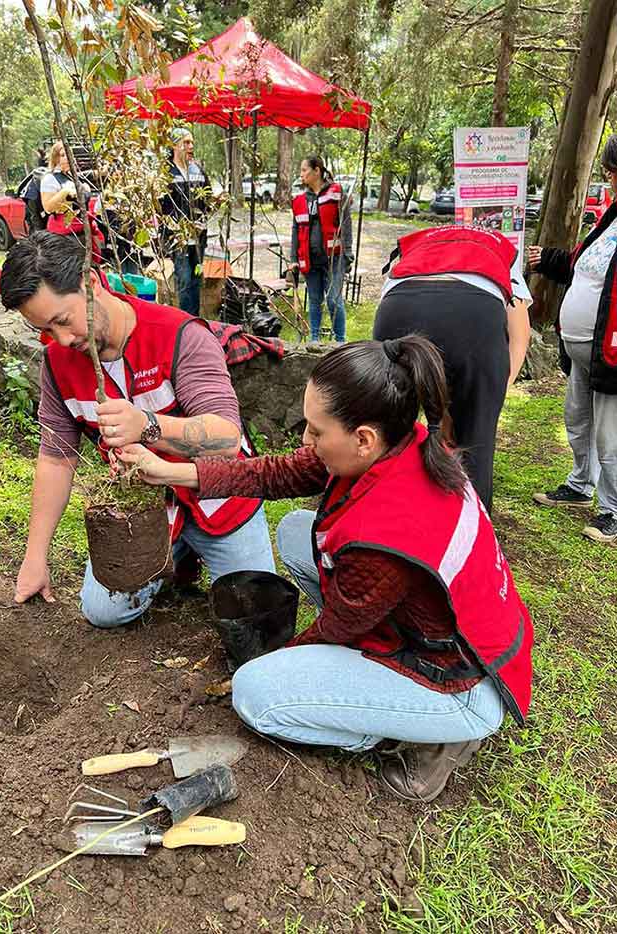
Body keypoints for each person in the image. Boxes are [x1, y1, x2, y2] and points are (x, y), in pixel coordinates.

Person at [117, 337, 534, 803]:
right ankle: (395, 704)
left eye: (316, 431)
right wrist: (171, 471)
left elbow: (336, 628)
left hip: (460, 684)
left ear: (362, 439)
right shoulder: (402, 441)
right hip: (459, 634)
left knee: (257, 694)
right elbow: (272, 474)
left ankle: (430, 736)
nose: (305, 440)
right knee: (299, 531)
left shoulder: (386, 534)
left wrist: (277, 662)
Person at [0, 230, 275, 627]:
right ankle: (174, 558)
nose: (61, 339)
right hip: (147, 511)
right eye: (45, 329)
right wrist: (35, 556)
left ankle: (196, 552)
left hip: (221, 498)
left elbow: (226, 439)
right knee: (103, 612)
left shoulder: (179, 335)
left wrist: (146, 425)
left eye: (63, 320)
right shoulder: (58, 364)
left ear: (90, 284)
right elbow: (56, 460)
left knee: (258, 613)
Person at [373, 225, 532, 512]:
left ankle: (378, 516)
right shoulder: (499, 250)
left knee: (385, 430)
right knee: (476, 441)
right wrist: (491, 395)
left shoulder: (418, 245)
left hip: (398, 305)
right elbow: (520, 336)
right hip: (474, 313)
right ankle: (472, 534)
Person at [528, 135, 617, 545]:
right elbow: (584, 268)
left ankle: (612, 509)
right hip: (583, 350)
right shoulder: (610, 217)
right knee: (577, 420)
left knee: (609, 434)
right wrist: (546, 258)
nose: (609, 178)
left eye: (612, 171)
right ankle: (581, 485)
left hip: (612, 354)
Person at [289, 156, 353, 343]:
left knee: (333, 300)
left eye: (304, 170)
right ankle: (314, 339)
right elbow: (295, 230)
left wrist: (348, 252)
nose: (301, 174)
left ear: (317, 171)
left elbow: (346, 223)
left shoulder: (336, 192)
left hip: (334, 258)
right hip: (309, 259)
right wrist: (293, 257)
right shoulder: (300, 200)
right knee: (314, 300)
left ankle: (340, 341)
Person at [160, 127, 211, 317]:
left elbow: (208, 200)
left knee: (196, 281)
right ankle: (186, 322)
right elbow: (161, 206)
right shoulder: (166, 173)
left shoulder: (198, 170)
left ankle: (196, 319)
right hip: (178, 239)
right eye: (186, 142)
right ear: (174, 145)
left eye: (192, 142)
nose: (191, 146)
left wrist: (202, 222)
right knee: (184, 280)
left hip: (198, 240)